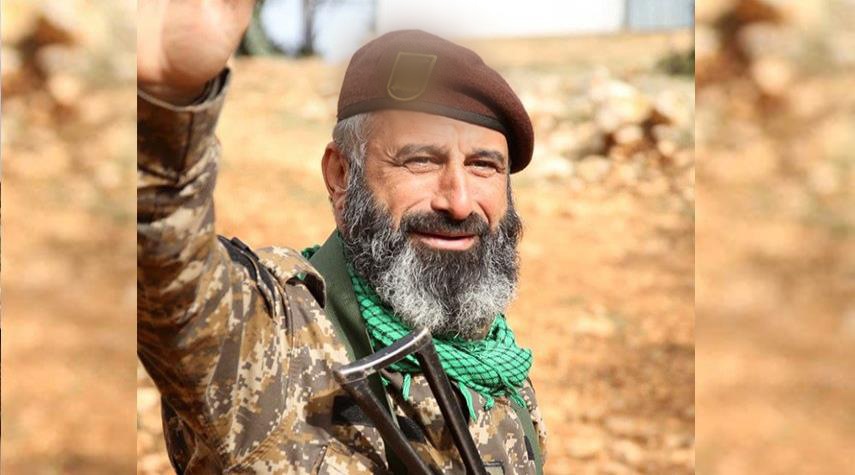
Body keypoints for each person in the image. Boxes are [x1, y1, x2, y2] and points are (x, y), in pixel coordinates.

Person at [138, 1, 547, 473]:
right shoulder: (279, 341)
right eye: (420, 160)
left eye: (483, 166)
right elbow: (170, 276)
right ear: (341, 176)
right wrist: (167, 101)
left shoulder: (494, 360)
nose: (458, 202)